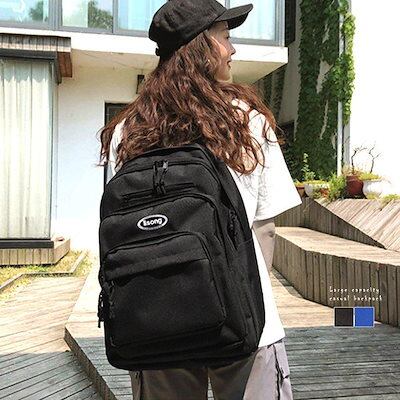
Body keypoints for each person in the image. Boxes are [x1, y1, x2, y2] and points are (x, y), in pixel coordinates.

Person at [99, 1, 302, 398]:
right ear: (201, 46)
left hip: (154, 325)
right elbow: (265, 229)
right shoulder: (245, 120)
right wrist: (242, 300)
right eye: (225, 37)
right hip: (247, 325)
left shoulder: (128, 129)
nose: (232, 49)